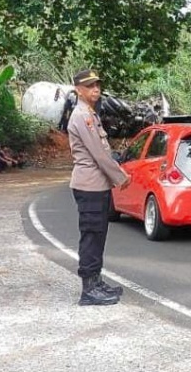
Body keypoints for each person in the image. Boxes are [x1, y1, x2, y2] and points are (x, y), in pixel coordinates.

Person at [68, 69, 131, 306]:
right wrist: (121, 177)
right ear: (78, 89)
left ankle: (96, 279)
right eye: (90, 85)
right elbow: (98, 154)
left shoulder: (91, 114)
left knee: (99, 234)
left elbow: (104, 151)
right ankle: (89, 289)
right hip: (89, 185)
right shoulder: (81, 116)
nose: (96, 88)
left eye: (97, 84)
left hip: (97, 185)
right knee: (92, 235)